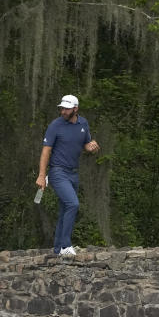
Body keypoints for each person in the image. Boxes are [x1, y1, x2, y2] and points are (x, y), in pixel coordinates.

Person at [35, 94, 100, 256]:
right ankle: (65, 246)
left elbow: (85, 143)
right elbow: (46, 151)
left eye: (67, 108)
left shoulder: (83, 123)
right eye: (62, 108)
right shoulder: (55, 126)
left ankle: (57, 249)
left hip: (73, 173)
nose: (63, 111)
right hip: (57, 172)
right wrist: (42, 175)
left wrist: (90, 147)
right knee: (73, 204)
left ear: (75, 109)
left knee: (65, 209)